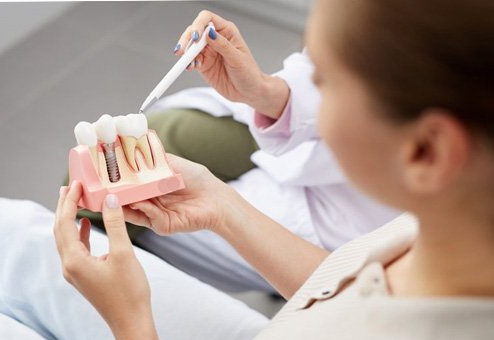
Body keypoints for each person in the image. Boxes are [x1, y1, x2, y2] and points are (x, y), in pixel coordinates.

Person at [55, 0, 494, 339]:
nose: (311, 92)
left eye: (323, 80)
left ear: (425, 152)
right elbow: (344, 280)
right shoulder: (439, 236)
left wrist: (131, 321)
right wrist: (222, 206)